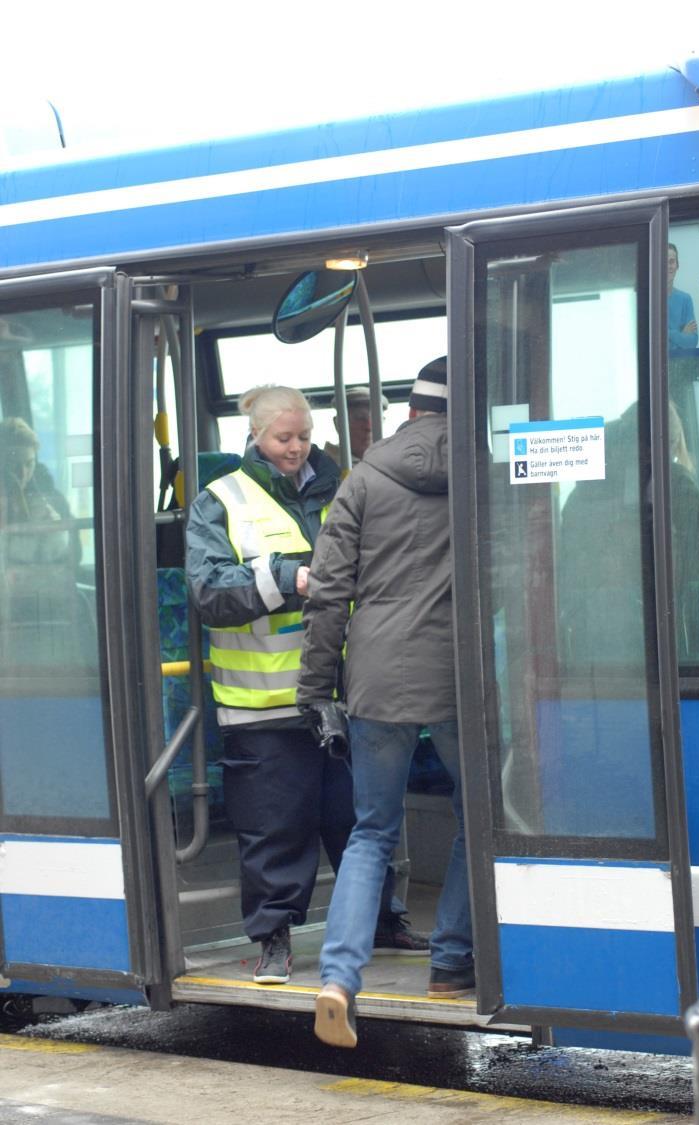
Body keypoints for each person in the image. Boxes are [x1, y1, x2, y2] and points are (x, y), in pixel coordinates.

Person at [185, 385, 426, 986]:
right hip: (261, 704)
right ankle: (273, 938)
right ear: (256, 437)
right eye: (282, 438)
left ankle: (380, 920)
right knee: (275, 829)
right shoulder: (219, 501)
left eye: (302, 437)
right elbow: (210, 593)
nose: (295, 449)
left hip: (346, 692)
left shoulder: (344, 488)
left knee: (362, 818)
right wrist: (287, 577)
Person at [297, 357, 473, 1048]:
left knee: (372, 830)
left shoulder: (363, 478)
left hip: (375, 676)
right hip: (458, 674)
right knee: (475, 816)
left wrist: (315, 687)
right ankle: (450, 962)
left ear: (410, 412)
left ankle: (338, 979)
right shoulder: (481, 474)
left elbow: (329, 592)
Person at [0, 416, 78, 566]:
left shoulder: (52, 500)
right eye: (13, 464)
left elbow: (73, 559)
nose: (22, 473)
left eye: (29, 464)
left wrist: (56, 532)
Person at [323, 385, 389, 469]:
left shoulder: (391, 464)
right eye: (360, 418)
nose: (369, 427)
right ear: (338, 424)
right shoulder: (323, 467)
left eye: (376, 419)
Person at [668, 242, 698, 354]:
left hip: (683, 366)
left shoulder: (685, 299)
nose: (668, 266)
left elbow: (692, 342)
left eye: (672, 262)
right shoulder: (651, 302)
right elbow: (654, 344)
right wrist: (680, 333)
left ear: (677, 265)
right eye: (664, 262)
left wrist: (667, 333)